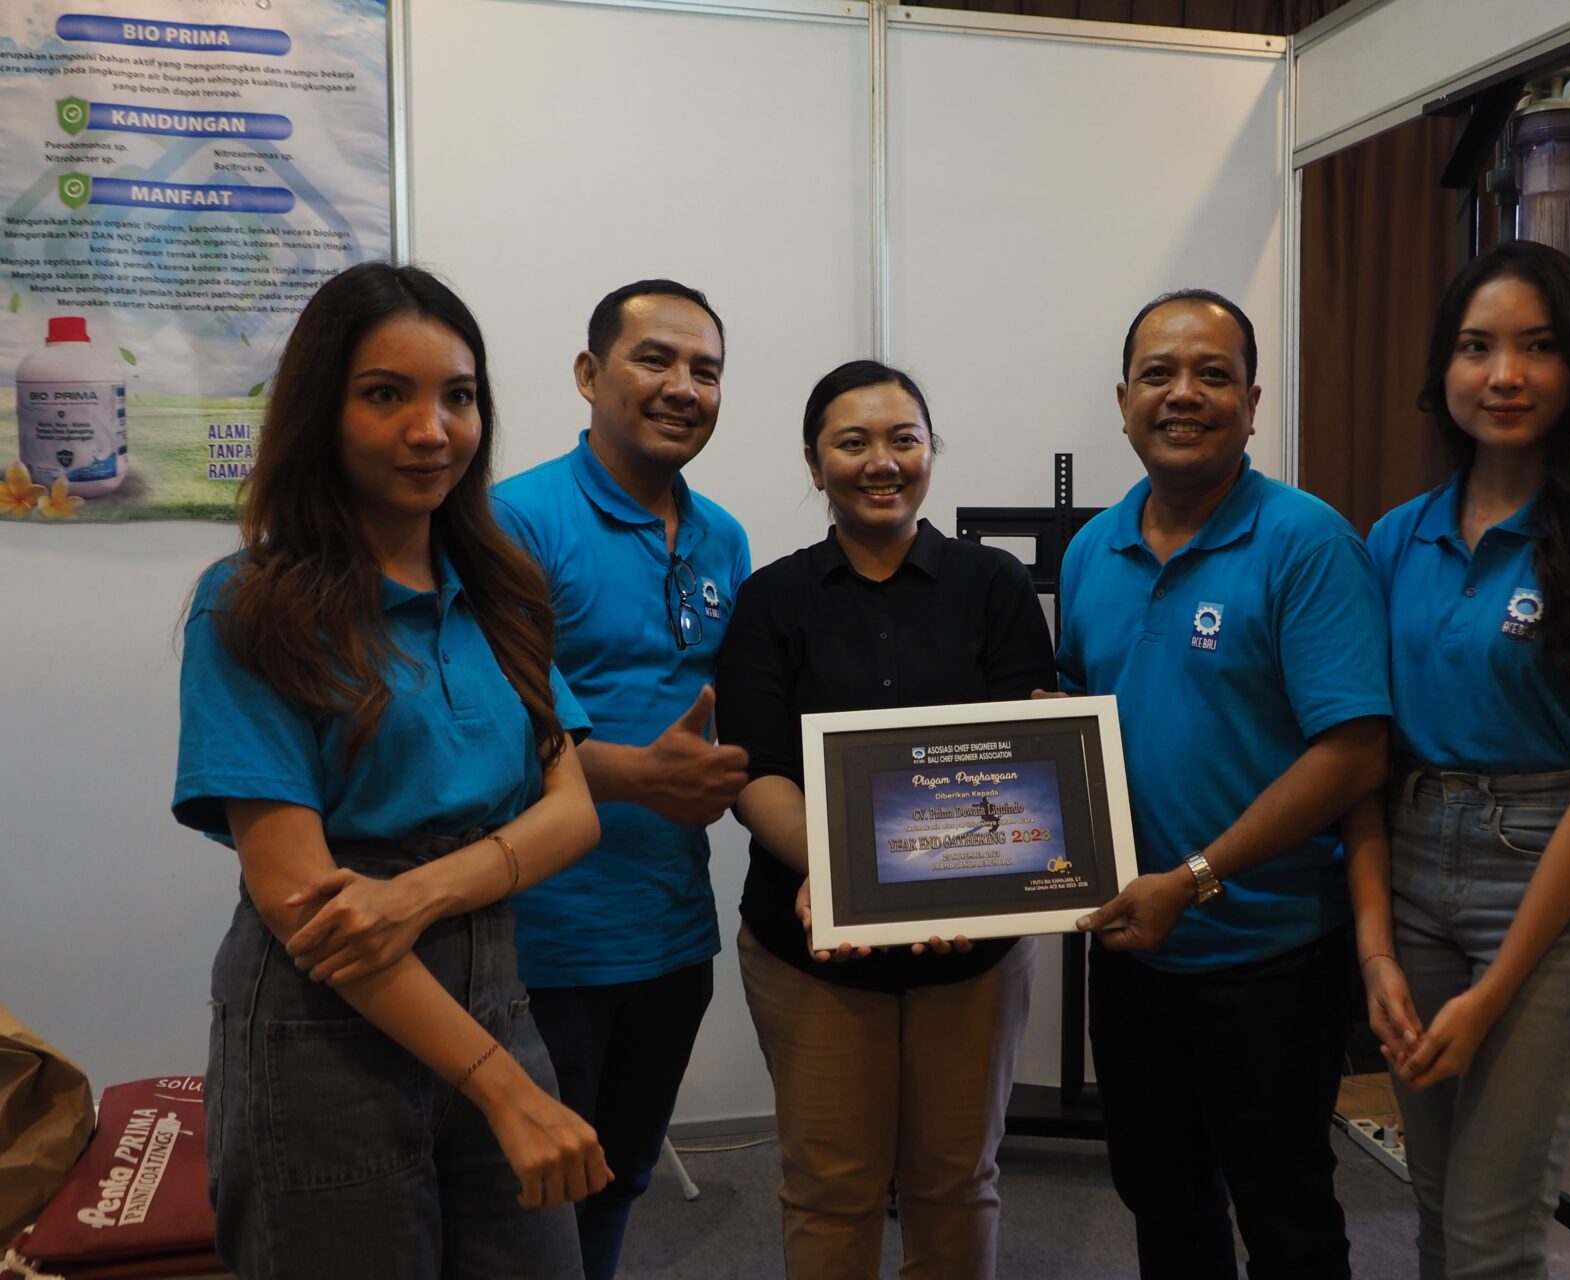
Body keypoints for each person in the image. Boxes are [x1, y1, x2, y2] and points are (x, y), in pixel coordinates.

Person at [172, 262, 611, 1278]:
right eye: (386, 395)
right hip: (322, 1029)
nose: (432, 430)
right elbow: (306, 902)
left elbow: (574, 812)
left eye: (459, 396)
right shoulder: (251, 604)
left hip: (491, 986)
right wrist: (506, 1089)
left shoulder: (501, 590)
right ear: (319, 412)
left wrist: (416, 894)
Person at [1350, 240, 1570, 1280]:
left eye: (1538, 347)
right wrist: (1375, 950)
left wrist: (1494, 990)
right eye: (1477, 347)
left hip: (1551, 873)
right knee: (1436, 1209)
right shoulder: (1395, 539)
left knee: (1492, 1239)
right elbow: (1362, 759)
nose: (1504, 375)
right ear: (1443, 370)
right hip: (1412, 866)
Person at [1056, 289, 1393, 1280]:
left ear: (1251, 402)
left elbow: (1353, 753)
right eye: (1158, 374)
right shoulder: (1091, 550)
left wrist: (1195, 877)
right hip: (1133, 951)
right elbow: (1081, 715)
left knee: (1286, 1218)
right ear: (1124, 401)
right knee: (1163, 1205)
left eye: (1213, 374)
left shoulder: (1307, 542)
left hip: (1269, 956)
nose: (1183, 394)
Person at [715, 359, 1051, 1279]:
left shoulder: (995, 585)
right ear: (813, 462)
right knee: (831, 1190)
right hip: (811, 946)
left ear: (931, 449)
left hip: (973, 948)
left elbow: (1022, 766)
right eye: (852, 442)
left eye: (905, 439)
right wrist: (851, 880)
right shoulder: (772, 598)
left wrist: (952, 883)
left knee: (958, 1184)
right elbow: (755, 771)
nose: (882, 461)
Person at [491, 280, 751, 1280]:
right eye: (656, 359)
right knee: (525, 1207)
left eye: (706, 370)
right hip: (544, 941)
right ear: (589, 373)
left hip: (673, 929)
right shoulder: (516, 520)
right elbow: (493, 726)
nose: (684, 386)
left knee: (621, 1179)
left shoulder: (722, 536)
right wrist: (638, 776)